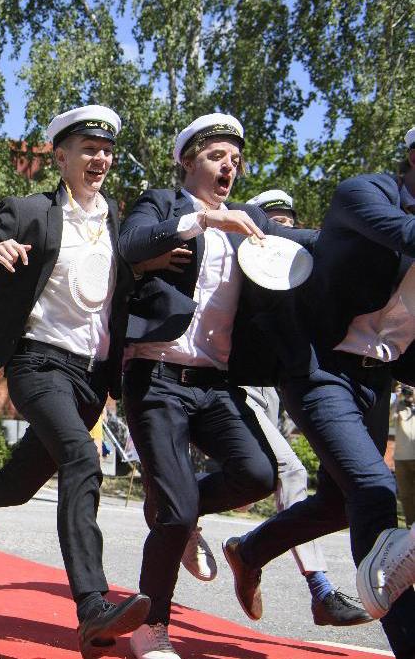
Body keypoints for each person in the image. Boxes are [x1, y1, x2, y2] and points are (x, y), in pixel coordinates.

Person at [0, 106, 150, 658]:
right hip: (38, 365)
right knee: (82, 459)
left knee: (16, 485)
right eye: (88, 149)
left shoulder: (119, 220)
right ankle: (92, 606)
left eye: (106, 150)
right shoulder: (31, 211)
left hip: (91, 378)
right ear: (60, 156)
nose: (100, 159)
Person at [118, 113, 317, 659]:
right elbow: (131, 244)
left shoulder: (252, 218)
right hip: (155, 376)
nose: (229, 166)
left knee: (257, 472)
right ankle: (150, 628)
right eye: (216, 156)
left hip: (216, 385)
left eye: (236, 159)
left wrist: (355, 237)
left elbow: (300, 243)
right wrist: (203, 222)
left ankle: (174, 514)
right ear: (188, 161)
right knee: (178, 511)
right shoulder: (161, 204)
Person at [222, 126, 415, 659]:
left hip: (376, 378)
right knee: (373, 491)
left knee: (338, 503)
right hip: (320, 369)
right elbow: (405, 234)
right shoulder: (364, 194)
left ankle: (251, 549)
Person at [238, 191, 371, 626]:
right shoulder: (244, 264)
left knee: (340, 496)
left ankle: (247, 548)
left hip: (281, 388)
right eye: (275, 222)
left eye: (291, 222)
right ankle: (323, 590)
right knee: (289, 470)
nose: (286, 232)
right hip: (233, 386)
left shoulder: (306, 274)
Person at [395, 385, 415, 526]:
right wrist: (397, 398)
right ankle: (410, 526)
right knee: (406, 495)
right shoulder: (398, 406)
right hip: (401, 457)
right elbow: (390, 417)